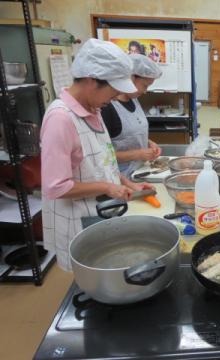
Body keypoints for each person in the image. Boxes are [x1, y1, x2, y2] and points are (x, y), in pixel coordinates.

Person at [41, 39, 154, 271]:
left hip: (101, 211)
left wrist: (127, 183)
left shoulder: (94, 108)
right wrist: (106, 187)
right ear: (92, 80)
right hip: (78, 219)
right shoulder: (60, 119)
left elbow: (103, 159)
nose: (114, 99)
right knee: (91, 275)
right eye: (113, 92)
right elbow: (56, 187)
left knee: (108, 269)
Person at [101, 54, 163, 177]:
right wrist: (138, 154)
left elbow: (130, 134)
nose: (145, 91)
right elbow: (102, 155)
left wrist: (148, 142)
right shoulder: (107, 107)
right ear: (131, 77)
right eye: (145, 85)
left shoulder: (133, 98)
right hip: (120, 177)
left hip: (140, 171)